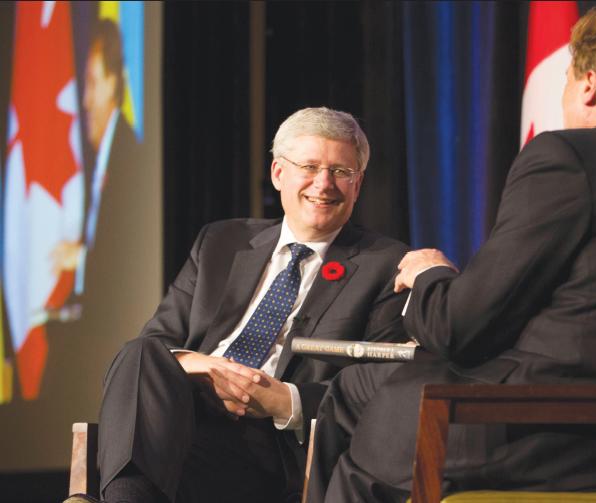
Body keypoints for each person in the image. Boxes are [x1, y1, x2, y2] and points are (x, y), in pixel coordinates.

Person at [306, 5, 596, 502]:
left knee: (367, 428)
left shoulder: (571, 158)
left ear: (589, 84)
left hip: (544, 432)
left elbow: (458, 329)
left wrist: (431, 275)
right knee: (355, 389)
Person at [65, 107, 410, 503]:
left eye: (341, 172)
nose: (324, 184)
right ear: (278, 173)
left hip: (274, 446)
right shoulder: (221, 242)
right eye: (310, 166)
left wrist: (285, 400)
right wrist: (203, 366)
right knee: (139, 354)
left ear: (358, 183)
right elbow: (156, 343)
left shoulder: (385, 265)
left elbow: (382, 391)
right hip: (183, 419)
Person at [52, 18, 138, 299]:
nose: (85, 101)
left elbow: (124, 250)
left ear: (113, 84)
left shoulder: (128, 158)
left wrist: (81, 258)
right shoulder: (103, 154)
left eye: (91, 83)